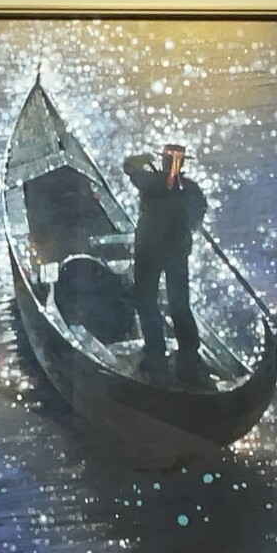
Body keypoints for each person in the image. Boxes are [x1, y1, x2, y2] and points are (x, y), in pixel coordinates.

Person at [123, 144, 209, 382]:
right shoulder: (190, 189)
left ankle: (156, 354)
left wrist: (141, 158)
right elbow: (197, 218)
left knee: (147, 300)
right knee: (178, 303)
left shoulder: (150, 183)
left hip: (149, 252)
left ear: (163, 162)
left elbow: (128, 166)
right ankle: (188, 355)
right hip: (174, 253)